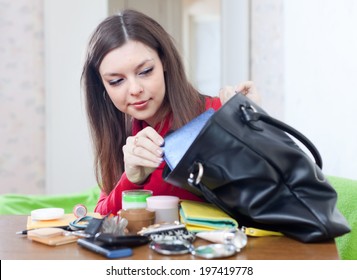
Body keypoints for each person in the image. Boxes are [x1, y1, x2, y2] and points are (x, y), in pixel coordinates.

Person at [81, 9, 260, 215]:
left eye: (145, 71)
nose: (135, 89)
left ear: (164, 61)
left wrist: (256, 127)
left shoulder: (218, 114)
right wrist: (131, 179)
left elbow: (272, 196)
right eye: (116, 81)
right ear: (102, 85)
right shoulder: (123, 139)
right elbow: (101, 218)